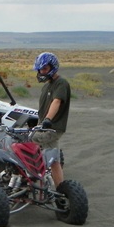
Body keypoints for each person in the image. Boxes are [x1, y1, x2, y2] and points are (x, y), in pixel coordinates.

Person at [33, 52, 70, 186]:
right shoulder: (47, 86)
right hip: (44, 127)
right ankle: (58, 188)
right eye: (40, 69)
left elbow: (57, 102)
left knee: (29, 145)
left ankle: (59, 189)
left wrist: (47, 120)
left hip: (51, 128)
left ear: (52, 67)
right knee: (53, 159)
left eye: (44, 69)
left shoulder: (60, 83)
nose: (41, 72)